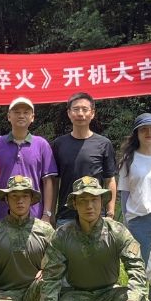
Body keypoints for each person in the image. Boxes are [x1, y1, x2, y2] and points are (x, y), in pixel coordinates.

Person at [38, 176, 146, 301]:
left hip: (109, 295)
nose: (89, 206)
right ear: (74, 204)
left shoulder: (117, 231)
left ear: (102, 201)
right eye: (83, 200)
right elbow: (51, 278)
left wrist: (132, 300)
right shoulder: (62, 235)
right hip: (75, 297)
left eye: (94, 200)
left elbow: (137, 267)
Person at [0, 97, 58, 223]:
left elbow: (48, 182)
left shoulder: (41, 145)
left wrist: (47, 214)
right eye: (17, 112)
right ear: (9, 116)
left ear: (32, 117)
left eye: (26, 112)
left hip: (35, 217)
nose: (21, 116)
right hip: (3, 215)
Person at [51, 92, 117, 224]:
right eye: (76, 109)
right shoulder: (59, 144)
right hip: (66, 216)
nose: (80, 114)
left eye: (85, 109)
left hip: (96, 215)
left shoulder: (104, 144)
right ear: (69, 113)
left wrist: (110, 212)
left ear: (92, 113)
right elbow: (54, 182)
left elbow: (110, 179)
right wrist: (51, 212)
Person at [118, 113, 151, 268]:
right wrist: (126, 220)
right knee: (142, 265)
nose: (149, 133)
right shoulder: (128, 160)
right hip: (138, 220)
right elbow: (125, 193)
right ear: (137, 133)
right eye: (144, 129)